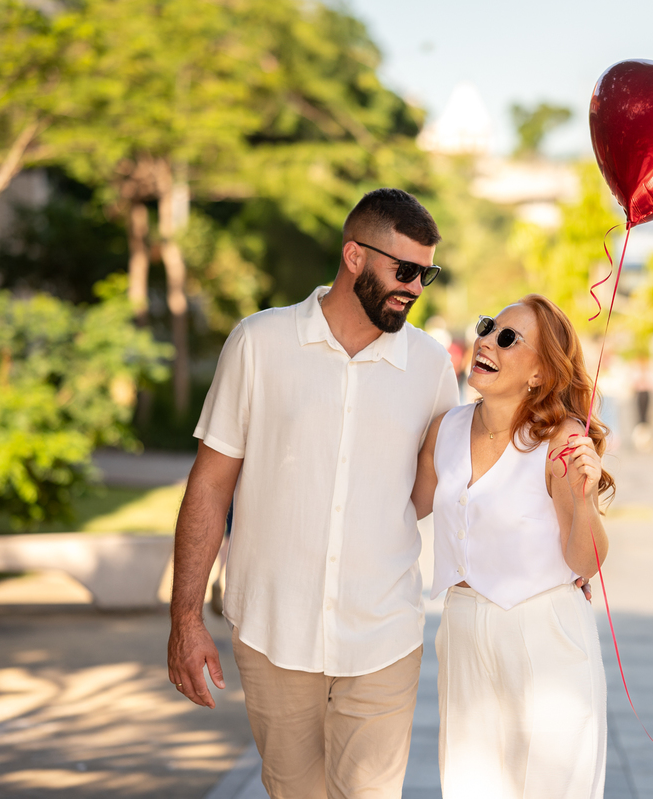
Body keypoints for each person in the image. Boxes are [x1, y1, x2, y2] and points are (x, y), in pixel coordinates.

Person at [168, 188, 459, 799]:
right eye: (403, 270)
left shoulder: (431, 365)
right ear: (354, 255)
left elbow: (424, 497)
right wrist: (185, 618)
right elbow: (210, 483)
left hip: (384, 631)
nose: (415, 287)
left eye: (425, 274)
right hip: (274, 629)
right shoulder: (259, 343)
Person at [412, 295, 614, 799]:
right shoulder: (447, 428)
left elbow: (585, 561)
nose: (485, 341)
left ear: (540, 374)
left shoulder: (561, 439)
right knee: (468, 787)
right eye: (487, 327)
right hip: (462, 632)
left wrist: (585, 499)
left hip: (543, 635)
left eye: (508, 338)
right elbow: (404, 509)